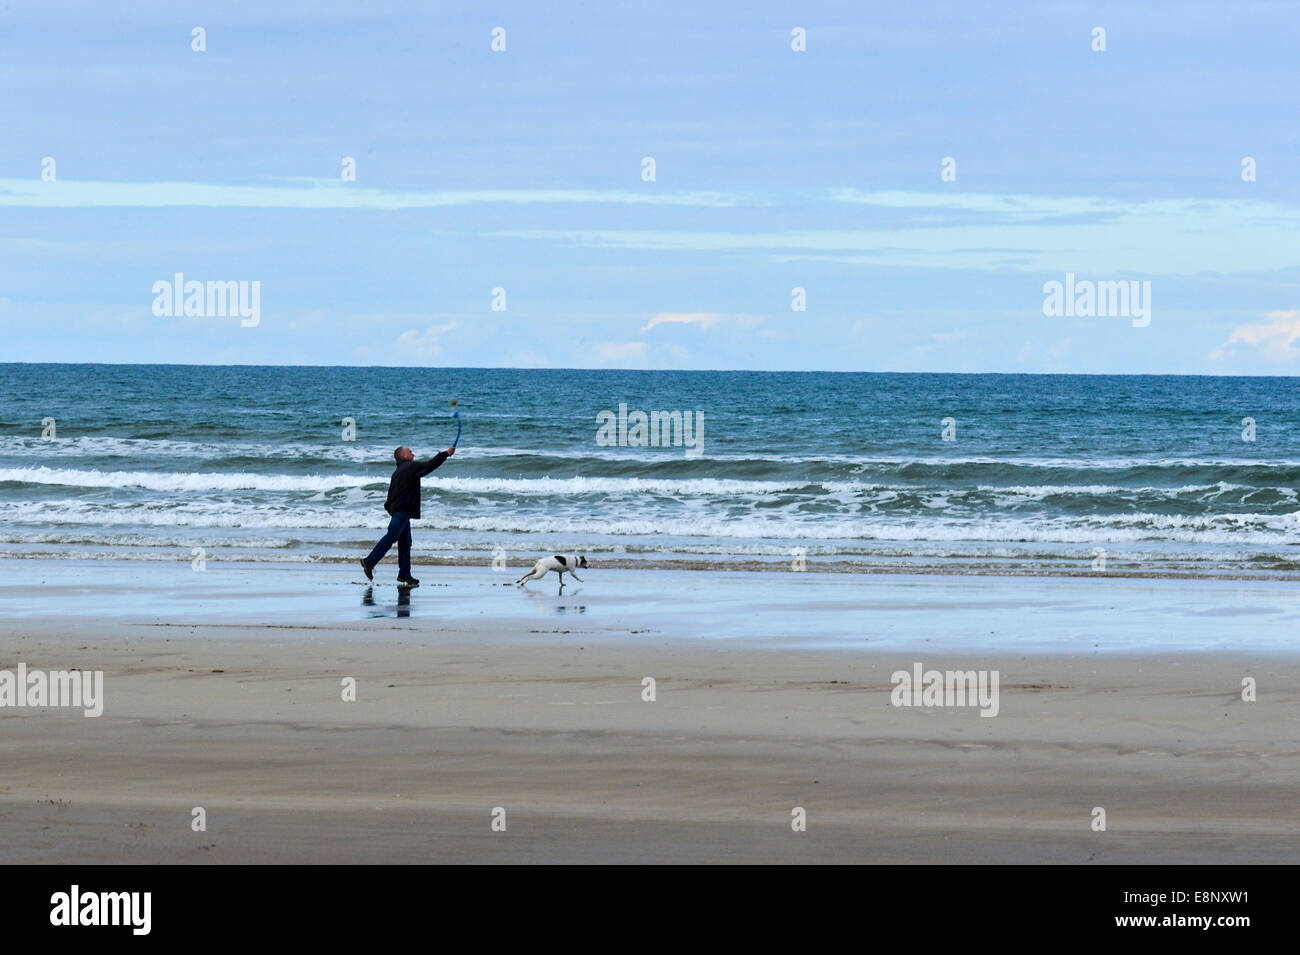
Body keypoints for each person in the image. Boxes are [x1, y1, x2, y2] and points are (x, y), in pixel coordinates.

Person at [360, 444, 455, 587]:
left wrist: (392, 510)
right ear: (404, 456)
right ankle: (369, 561)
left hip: (400, 510)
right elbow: (429, 466)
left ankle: (404, 574)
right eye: (410, 452)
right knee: (392, 536)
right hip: (402, 510)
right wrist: (445, 454)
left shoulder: (397, 472)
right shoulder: (410, 467)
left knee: (405, 543)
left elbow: (389, 498)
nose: (413, 454)